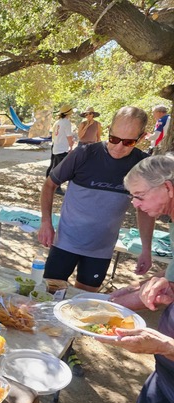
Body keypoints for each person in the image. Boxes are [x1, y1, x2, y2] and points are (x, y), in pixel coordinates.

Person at [39, 106, 154, 293]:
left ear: (141, 138)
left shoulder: (142, 165)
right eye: (114, 139)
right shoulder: (83, 154)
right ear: (109, 130)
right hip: (65, 242)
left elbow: (145, 209)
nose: (118, 147)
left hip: (101, 249)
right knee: (49, 295)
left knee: (83, 302)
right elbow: (49, 185)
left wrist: (146, 249)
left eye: (128, 142)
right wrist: (46, 222)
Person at [105, 155, 174, 403]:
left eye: (140, 196)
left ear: (168, 188)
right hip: (164, 375)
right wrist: (140, 290)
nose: (134, 204)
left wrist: (162, 344)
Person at [47, 105, 75, 194]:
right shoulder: (67, 122)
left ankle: (49, 184)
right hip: (62, 148)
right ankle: (57, 187)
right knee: (61, 169)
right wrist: (71, 145)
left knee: (54, 166)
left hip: (56, 146)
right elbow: (69, 136)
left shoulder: (58, 122)